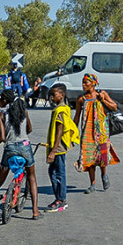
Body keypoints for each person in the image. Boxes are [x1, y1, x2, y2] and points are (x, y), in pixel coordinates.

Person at [0, 90, 41, 221]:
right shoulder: (24, 111)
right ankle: (35, 211)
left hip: (10, 148)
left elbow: (1, 137)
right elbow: (29, 129)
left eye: (1, 98)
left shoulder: (1, 115)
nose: (0, 101)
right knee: (32, 177)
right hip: (25, 147)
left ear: (5, 101)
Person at [75, 73, 119, 194]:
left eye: (86, 83)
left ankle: (104, 175)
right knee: (89, 157)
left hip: (102, 131)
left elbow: (114, 107)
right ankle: (92, 184)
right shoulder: (81, 99)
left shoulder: (102, 94)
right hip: (87, 131)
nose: (83, 85)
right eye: (83, 83)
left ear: (93, 83)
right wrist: (71, 132)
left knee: (102, 157)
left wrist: (103, 100)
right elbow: (77, 117)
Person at [45, 84, 78, 212]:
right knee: (53, 171)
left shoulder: (61, 110)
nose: (52, 97)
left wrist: (53, 151)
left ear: (62, 95)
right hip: (56, 146)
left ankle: (62, 199)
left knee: (59, 172)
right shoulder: (61, 108)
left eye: (54, 94)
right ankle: (58, 197)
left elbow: (60, 130)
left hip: (58, 147)